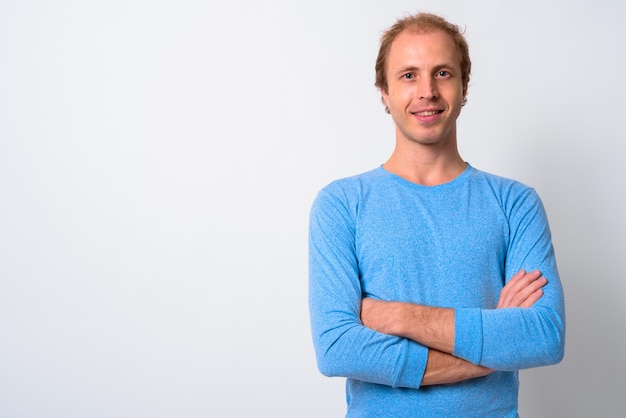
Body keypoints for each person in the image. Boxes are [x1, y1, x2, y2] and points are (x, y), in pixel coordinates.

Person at [308, 12, 565, 417]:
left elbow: (543, 337)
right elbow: (337, 348)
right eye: (408, 75)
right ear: (384, 92)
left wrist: (397, 315)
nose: (426, 91)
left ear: (464, 88)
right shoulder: (341, 205)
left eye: (442, 73)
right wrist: (492, 344)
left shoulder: (515, 203)